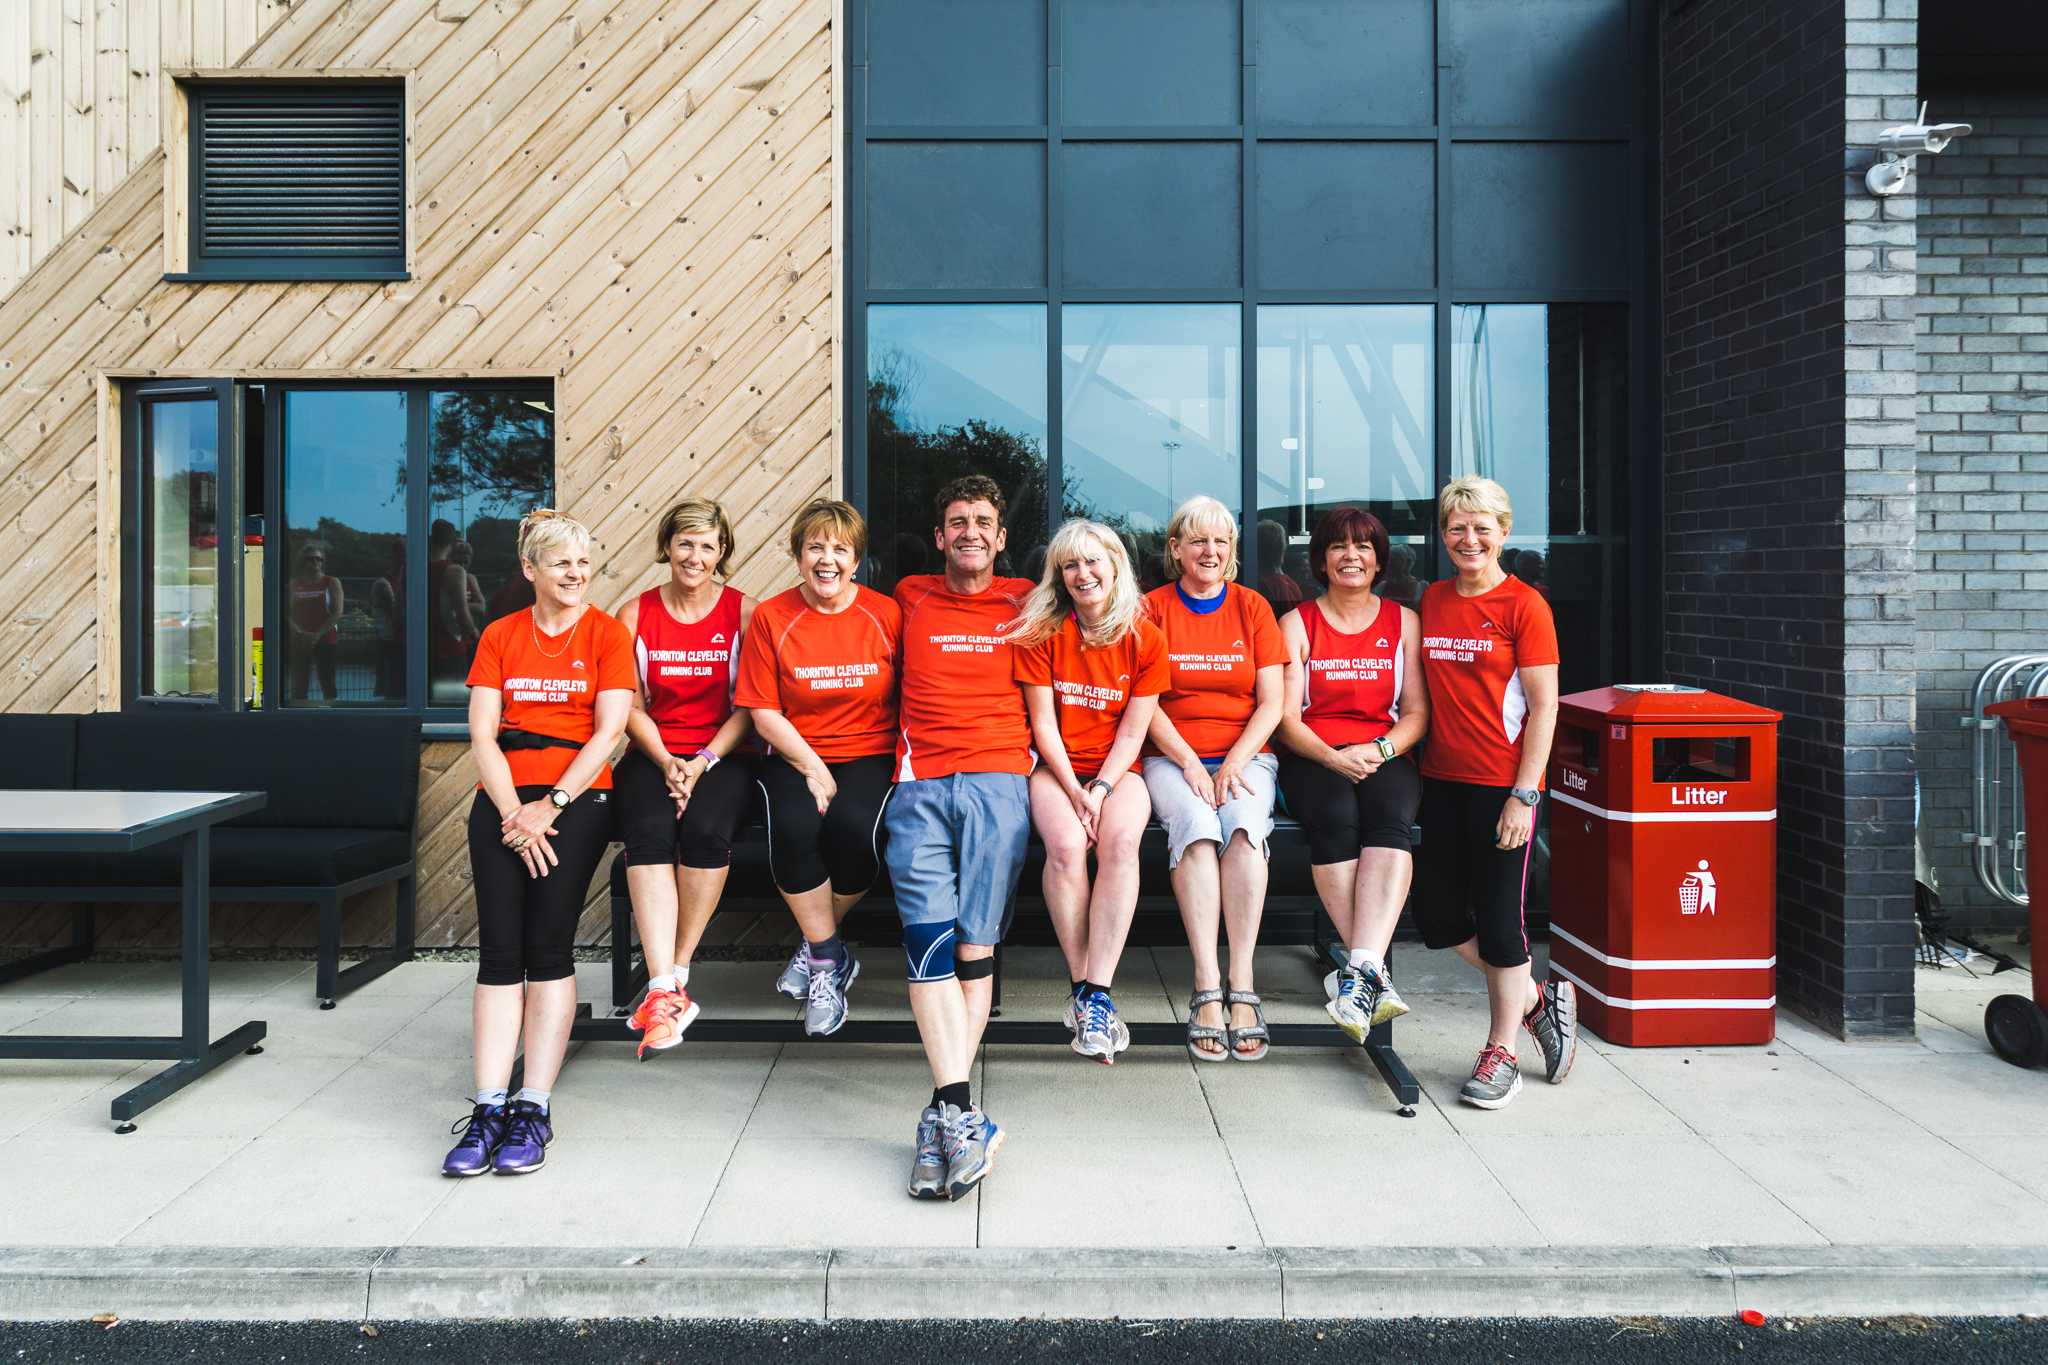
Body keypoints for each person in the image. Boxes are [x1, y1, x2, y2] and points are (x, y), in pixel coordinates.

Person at [441, 509, 634, 1177]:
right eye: (562, 563)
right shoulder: (500, 633)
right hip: (501, 802)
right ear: (531, 569)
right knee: (499, 952)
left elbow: (609, 732)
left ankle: (533, 1105)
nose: (576, 574)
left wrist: (547, 806)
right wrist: (511, 812)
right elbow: (483, 732)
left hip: (577, 799)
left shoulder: (608, 633)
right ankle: (489, 1105)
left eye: (584, 563)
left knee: (547, 945)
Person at [887, 475, 1033, 1201]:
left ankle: (946, 1112)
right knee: (927, 944)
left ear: (1001, 537)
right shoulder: (909, 596)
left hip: (1001, 780)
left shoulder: (1030, 598)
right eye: (957, 521)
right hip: (918, 784)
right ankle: (959, 1111)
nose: (970, 530)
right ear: (939, 536)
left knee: (976, 946)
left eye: (983, 520)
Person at [1417, 476, 1575, 1110]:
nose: (1469, 538)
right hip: (1439, 782)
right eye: (1458, 527)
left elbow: (1545, 708)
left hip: (1501, 789)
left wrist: (1525, 795)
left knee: (1504, 924)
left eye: (1482, 527)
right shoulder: (1431, 598)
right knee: (1437, 917)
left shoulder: (1525, 606)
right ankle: (1536, 998)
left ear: (1504, 533)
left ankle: (1501, 1050)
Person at [735, 498, 901, 1037]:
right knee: (794, 825)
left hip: (870, 750)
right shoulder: (772, 616)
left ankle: (814, 946)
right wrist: (811, 765)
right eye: (815, 547)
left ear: (856, 560)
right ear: (797, 555)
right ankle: (829, 960)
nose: (827, 559)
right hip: (792, 750)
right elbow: (762, 709)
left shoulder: (885, 613)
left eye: (840, 549)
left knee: (855, 829)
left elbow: (909, 694)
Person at [1012, 519, 1168, 1063]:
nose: (1083, 574)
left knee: (1121, 844)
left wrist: (1099, 789)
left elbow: (1134, 730)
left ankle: (1095, 992)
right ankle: (1087, 995)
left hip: (1118, 770)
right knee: (1066, 847)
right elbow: (1043, 726)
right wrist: (1076, 789)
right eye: (1070, 565)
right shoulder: (1041, 631)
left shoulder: (1145, 636)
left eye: (1093, 560)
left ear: (1116, 564)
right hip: (1054, 769)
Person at [1274, 506, 1431, 1043]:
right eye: (1339, 546)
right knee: (1337, 817)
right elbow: (1284, 718)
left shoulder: (1403, 621)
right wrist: (1332, 757)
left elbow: (1416, 713)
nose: (1351, 556)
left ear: (1378, 558)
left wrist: (1380, 749)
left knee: (1390, 816)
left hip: (1383, 753)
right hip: (1314, 755)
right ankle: (1371, 976)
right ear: (1320, 558)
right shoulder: (1297, 623)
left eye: (1363, 547)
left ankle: (1358, 972)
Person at [1140, 496, 1288, 1062]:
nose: (1210, 551)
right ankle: (1206, 986)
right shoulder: (1151, 609)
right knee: (1199, 826)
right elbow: (1143, 701)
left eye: (1221, 542)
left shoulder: (1252, 608)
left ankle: (1242, 985)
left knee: (1246, 826)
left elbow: (1272, 702)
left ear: (1232, 552)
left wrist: (1232, 763)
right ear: (1175, 549)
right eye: (1197, 541)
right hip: (1170, 756)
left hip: (1245, 754)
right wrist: (1185, 760)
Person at [614, 498, 760, 1057]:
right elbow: (627, 705)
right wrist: (668, 761)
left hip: (724, 754)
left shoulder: (746, 613)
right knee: (648, 835)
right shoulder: (635, 614)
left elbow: (750, 706)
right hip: (653, 753)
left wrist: (700, 763)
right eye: (685, 543)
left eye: (707, 545)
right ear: (667, 547)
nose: (695, 556)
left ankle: (674, 975)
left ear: (721, 551)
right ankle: (662, 990)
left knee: (703, 832)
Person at [427, 519, 481, 703]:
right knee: (452, 705)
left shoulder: (410, 570)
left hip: (419, 652)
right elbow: (463, 616)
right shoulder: (453, 572)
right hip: (450, 651)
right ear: (453, 542)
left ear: (430, 539)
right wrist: (474, 633)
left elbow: (399, 615)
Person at [288, 542, 344, 701]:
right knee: (299, 685)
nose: (315, 562)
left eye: (319, 559)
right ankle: (298, 719)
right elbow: (285, 614)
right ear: (302, 562)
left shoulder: (331, 582)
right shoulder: (293, 584)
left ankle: (333, 719)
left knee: (328, 682)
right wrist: (301, 634)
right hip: (299, 640)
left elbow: (337, 612)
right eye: (311, 559)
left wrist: (315, 635)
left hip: (326, 639)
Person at [370, 538, 405, 700]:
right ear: (394, 556)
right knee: (393, 696)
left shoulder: (405, 582)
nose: (408, 561)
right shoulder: (383, 584)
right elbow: (398, 618)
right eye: (404, 556)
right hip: (390, 647)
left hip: (402, 646)